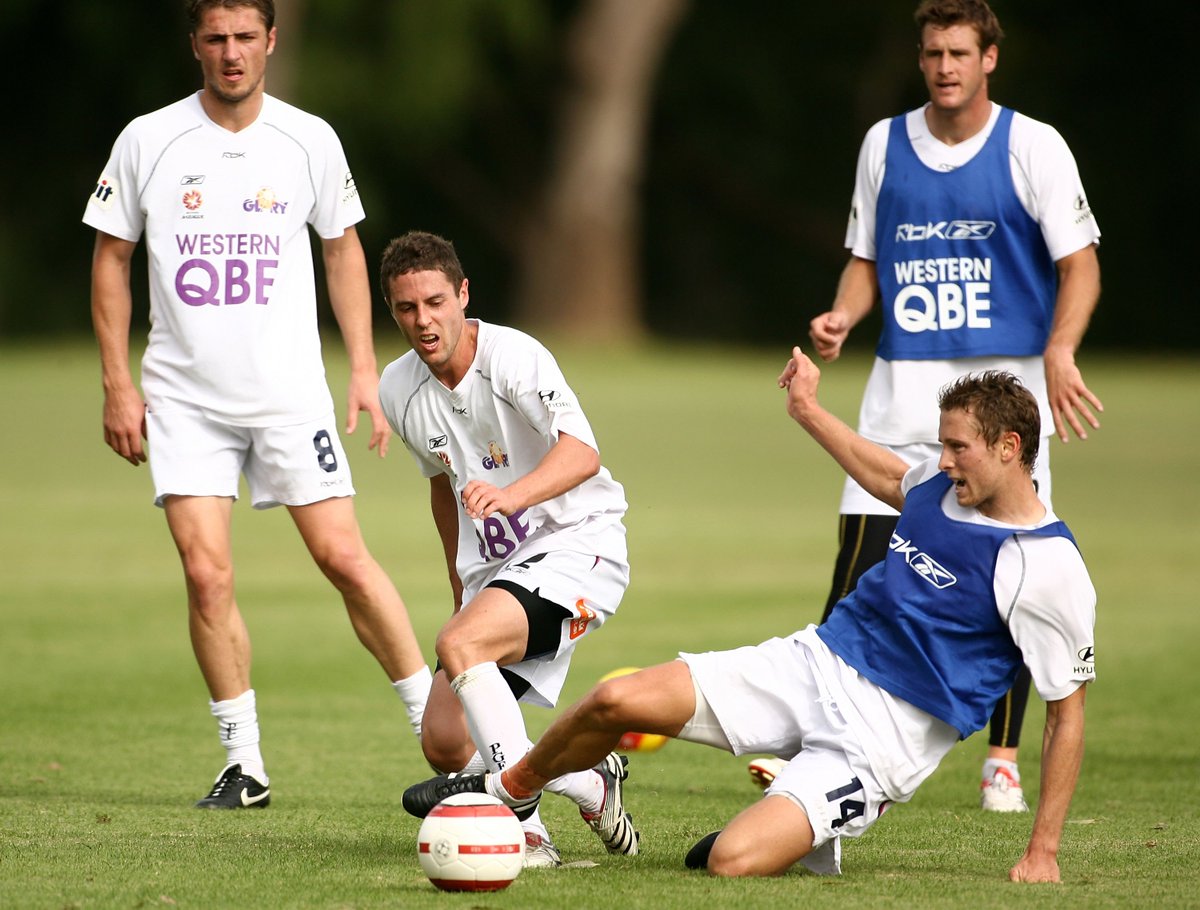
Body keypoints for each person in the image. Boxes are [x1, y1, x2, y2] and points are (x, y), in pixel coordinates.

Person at [404, 351, 1097, 883]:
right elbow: (888, 476)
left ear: (1009, 447)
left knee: (731, 862)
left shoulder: (1045, 566)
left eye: (957, 448)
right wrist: (807, 410)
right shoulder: (941, 488)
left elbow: (1066, 714)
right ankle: (511, 791)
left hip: (882, 740)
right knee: (614, 700)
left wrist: (1043, 851)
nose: (941, 461)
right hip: (813, 662)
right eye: (940, 446)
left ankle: (801, 822)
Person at [753, 0, 1103, 812]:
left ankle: (1002, 760)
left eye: (959, 53)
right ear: (920, 59)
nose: (945, 67)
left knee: (1009, 574)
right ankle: (820, 737)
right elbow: (866, 258)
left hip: (1001, 401)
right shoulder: (884, 143)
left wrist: (1059, 349)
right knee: (857, 568)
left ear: (989, 59)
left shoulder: (1033, 146)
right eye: (932, 53)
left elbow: (1080, 264)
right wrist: (845, 315)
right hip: (901, 389)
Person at [83, 0, 432, 809]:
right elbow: (111, 259)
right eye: (216, 38)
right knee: (206, 576)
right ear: (195, 45)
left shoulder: (309, 139)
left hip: (289, 395)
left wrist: (362, 368)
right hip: (184, 399)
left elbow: (341, 250)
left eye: (246, 37)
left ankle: (441, 730)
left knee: (344, 559)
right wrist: (117, 383)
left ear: (271, 41)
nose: (232, 52)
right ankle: (244, 765)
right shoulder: (147, 139)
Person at [377, 231, 638, 868]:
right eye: (407, 308)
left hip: (581, 546)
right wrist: (461, 590)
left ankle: (527, 832)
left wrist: (512, 496)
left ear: (463, 294)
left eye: (435, 302)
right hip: (502, 572)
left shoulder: (513, 357)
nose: (424, 321)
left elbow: (583, 452)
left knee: (463, 647)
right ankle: (588, 782)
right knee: (445, 742)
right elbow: (441, 488)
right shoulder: (398, 388)